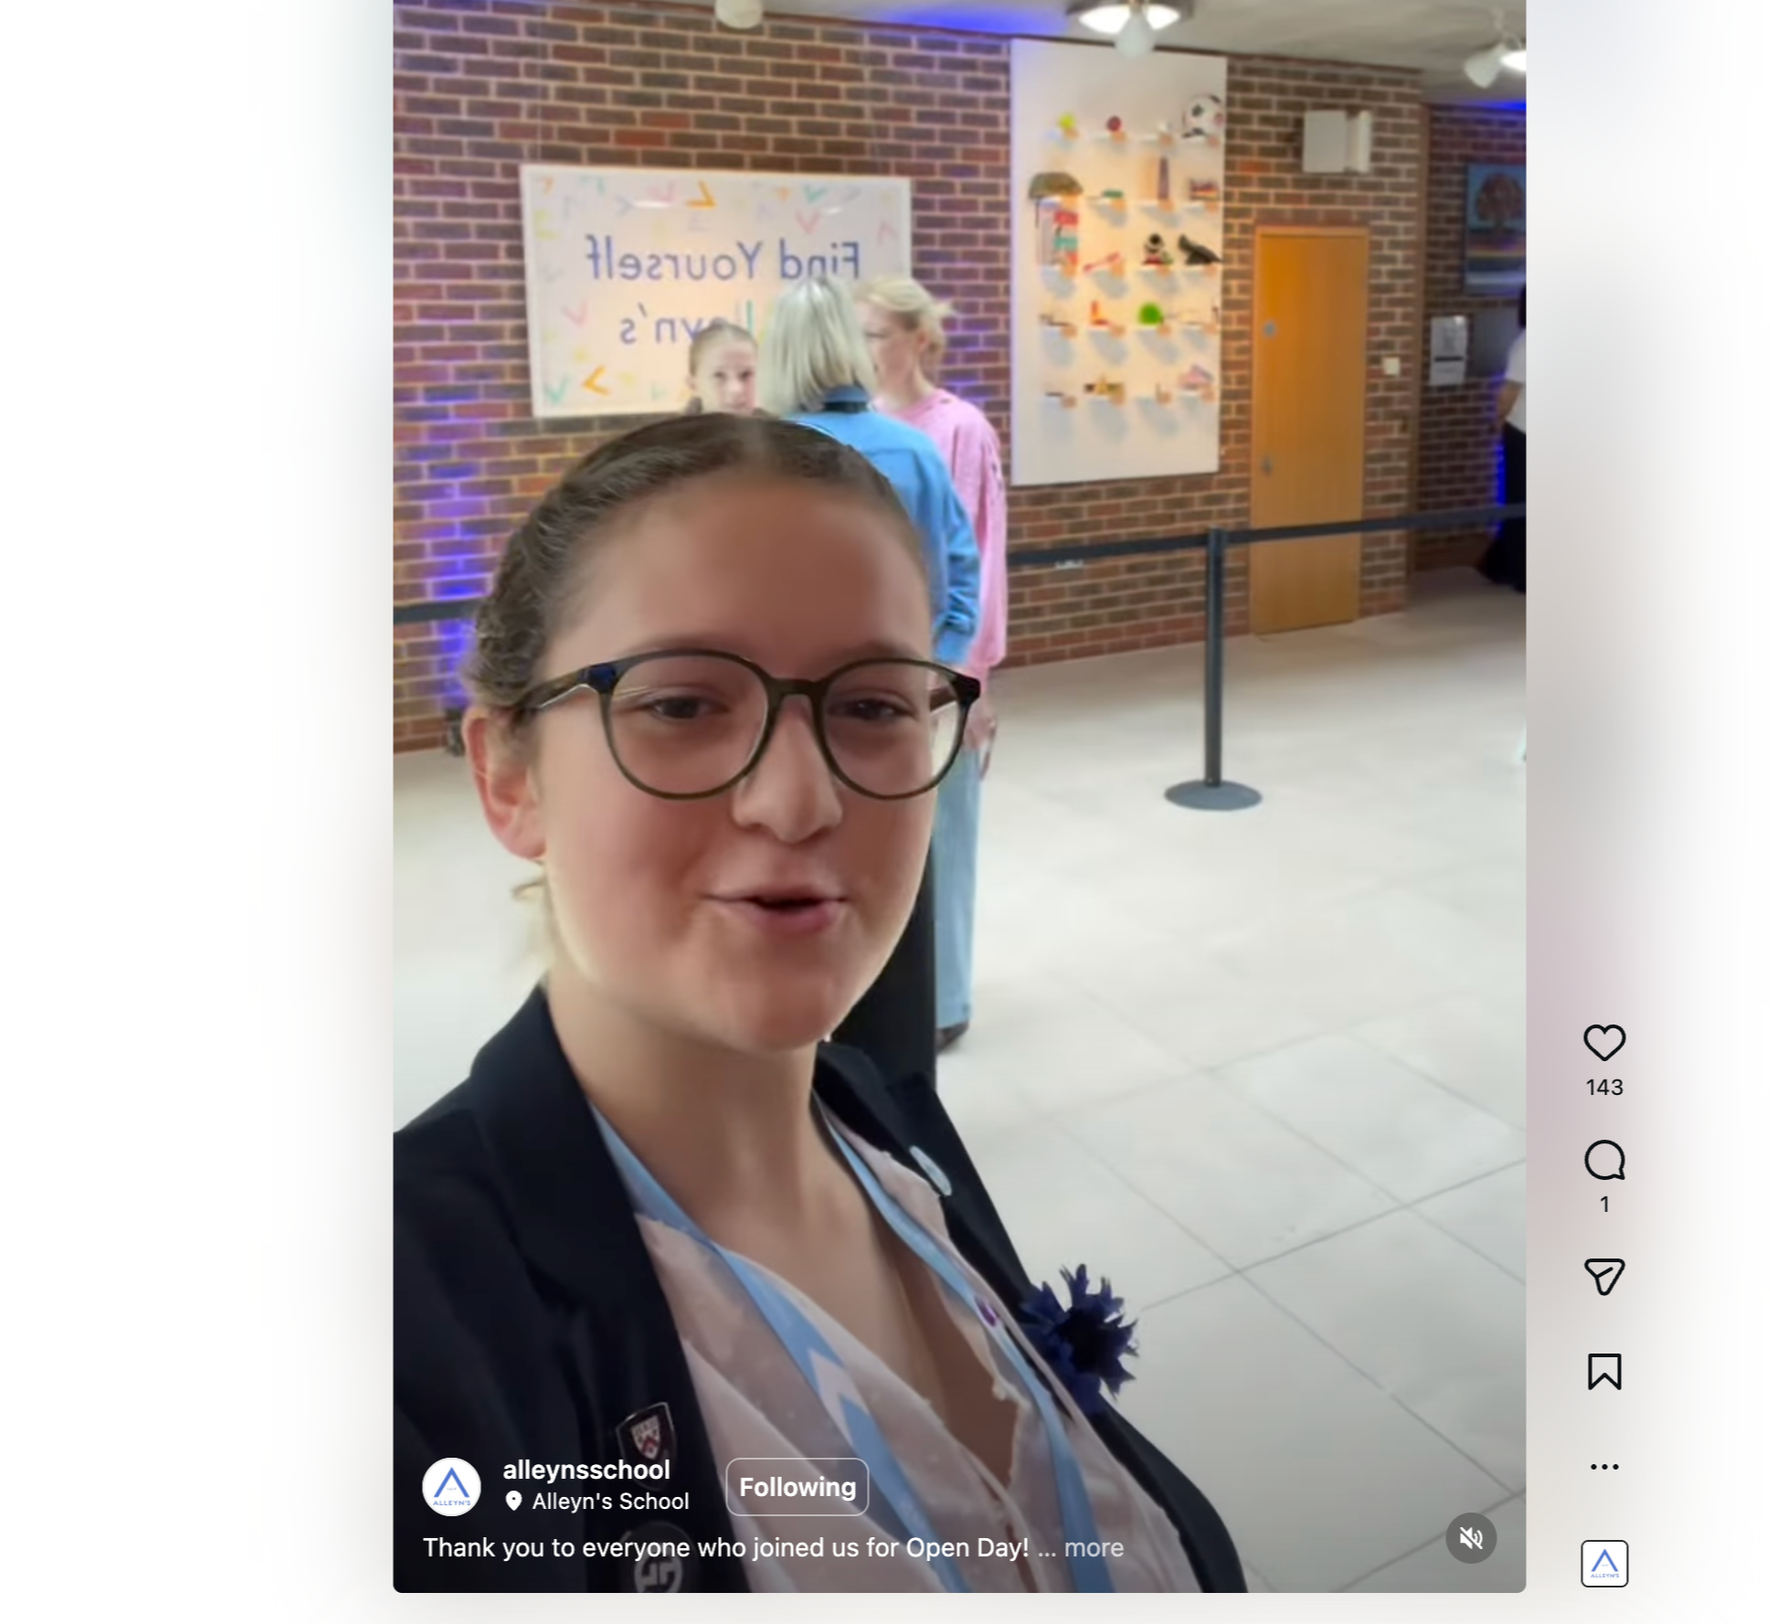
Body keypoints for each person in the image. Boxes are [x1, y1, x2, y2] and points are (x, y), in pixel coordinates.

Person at [396, 414, 1242, 1594]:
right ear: (507, 775)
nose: (798, 801)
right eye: (682, 705)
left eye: (875, 705)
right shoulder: (408, 1334)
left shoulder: (882, 1118)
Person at [858, 277, 1007, 1054]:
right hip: (866, 671)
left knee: (946, 835)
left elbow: (980, 555)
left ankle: (946, 997)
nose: (866, 350)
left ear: (919, 338)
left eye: (878, 333)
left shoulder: (959, 430)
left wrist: (970, 678)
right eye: (858, 334)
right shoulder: (853, 426)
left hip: (939, 673)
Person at [759, 276, 980, 672]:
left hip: (792, 675)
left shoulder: (758, 461)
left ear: (776, 354)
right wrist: (945, 655)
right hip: (903, 668)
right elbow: (957, 563)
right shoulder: (916, 452)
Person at [1480, 286, 1526, 594]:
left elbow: (1509, 391)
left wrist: (1497, 423)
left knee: (1518, 501)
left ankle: (1518, 571)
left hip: (1524, 431)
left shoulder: (1527, 342)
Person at [683, 319, 760, 415]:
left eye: (746, 374)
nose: (735, 389)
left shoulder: (774, 423)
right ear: (693, 385)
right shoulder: (673, 425)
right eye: (719, 375)